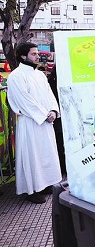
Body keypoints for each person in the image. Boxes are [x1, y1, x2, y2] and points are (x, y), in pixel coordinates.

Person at [7, 42, 62, 204]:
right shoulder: (16, 76)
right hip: (30, 123)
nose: (38, 56)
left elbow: (49, 95)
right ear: (23, 56)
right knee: (32, 156)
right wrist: (45, 114)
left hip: (45, 121)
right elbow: (24, 101)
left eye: (37, 53)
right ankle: (31, 190)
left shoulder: (39, 75)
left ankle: (45, 184)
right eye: (34, 54)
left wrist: (53, 110)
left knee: (46, 154)